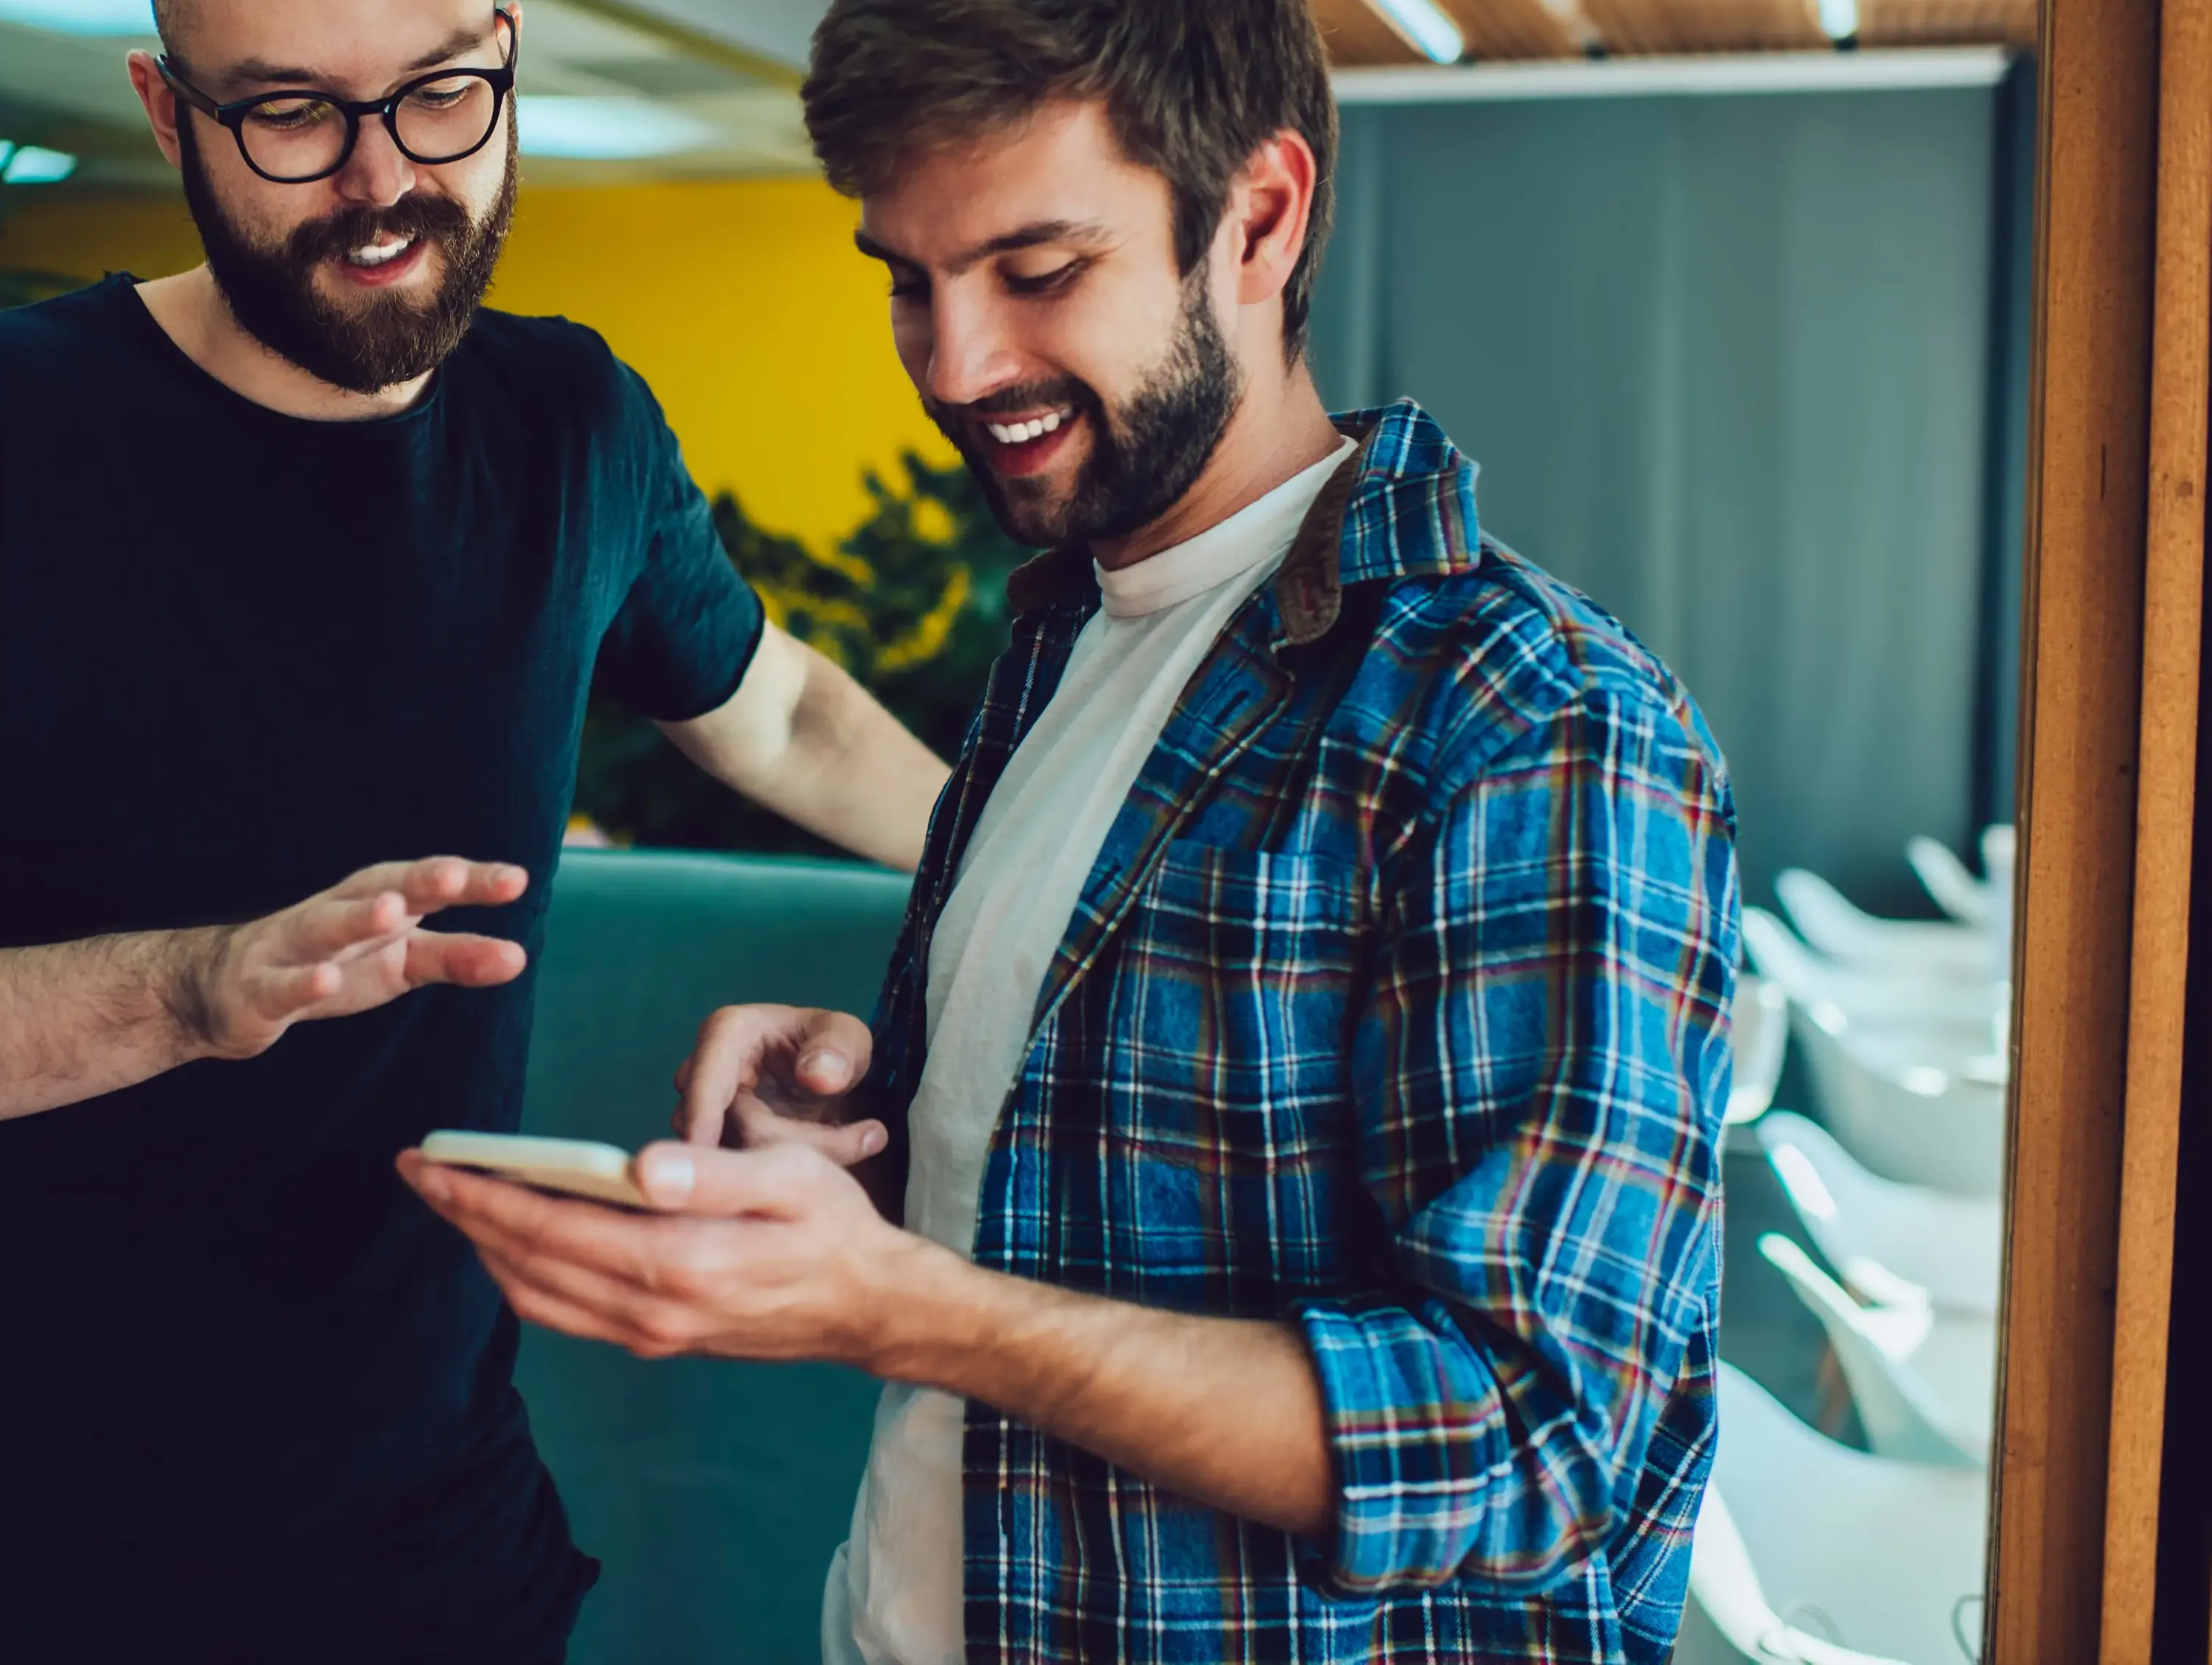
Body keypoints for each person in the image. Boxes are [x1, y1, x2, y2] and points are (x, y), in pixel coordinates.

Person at [402, 0, 1740, 1660]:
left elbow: (1531, 1440)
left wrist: (910, 1310)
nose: (954, 366)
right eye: (908, 276)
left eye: (1036, 272)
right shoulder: (1063, 638)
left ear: (1256, 217)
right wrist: (863, 1133)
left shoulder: (1533, 718)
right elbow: (1070, 1207)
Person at [0, 0, 951, 1658]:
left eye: (438, 98)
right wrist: (192, 990)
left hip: (438, 1530)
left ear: (503, 51)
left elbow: (779, 713)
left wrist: (1041, 865)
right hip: (16, 1557)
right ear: (166, 111)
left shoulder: (568, 423)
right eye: (289, 113)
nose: (380, 179)